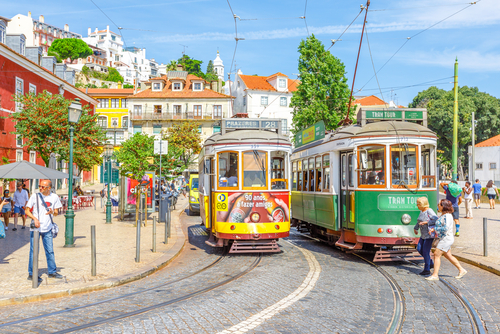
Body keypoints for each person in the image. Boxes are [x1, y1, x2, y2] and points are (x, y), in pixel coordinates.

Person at [25, 180, 64, 282]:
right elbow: (27, 210)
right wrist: (35, 219)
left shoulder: (54, 197)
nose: (40, 188)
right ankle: (31, 273)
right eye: (39, 186)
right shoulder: (35, 196)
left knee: (50, 251)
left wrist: (52, 212)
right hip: (36, 228)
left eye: (43, 187)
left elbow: (56, 213)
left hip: (48, 228)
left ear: (48, 188)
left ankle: (52, 272)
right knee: (34, 251)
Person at [425, 199, 467, 281]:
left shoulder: (447, 216)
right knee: (448, 255)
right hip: (444, 238)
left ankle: (435, 275)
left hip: (446, 238)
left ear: (443, 206)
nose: (438, 205)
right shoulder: (443, 215)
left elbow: (446, 228)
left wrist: (435, 229)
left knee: (436, 254)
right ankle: (461, 270)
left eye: (439, 204)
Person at [414, 197, 438, 276]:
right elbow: (419, 221)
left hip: (429, 235)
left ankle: (427, 269)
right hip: (423, 234)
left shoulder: (429, 211)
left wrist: (426, 222)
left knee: (425, 251)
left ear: (422, 204)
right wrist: (416, 228)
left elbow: (435, 219)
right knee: (419, 249)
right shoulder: (421, 211)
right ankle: (430, 262)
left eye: (418, 204)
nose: (417, 205)